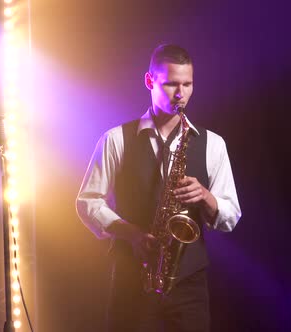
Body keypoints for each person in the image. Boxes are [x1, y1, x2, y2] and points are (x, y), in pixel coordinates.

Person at [76, 44, 241, 331]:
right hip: (132, 280)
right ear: (149, 81)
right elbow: (88, 202)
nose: (181, 94)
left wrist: (205, 196)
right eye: (171, 84)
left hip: (189, 285)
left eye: (188, 84)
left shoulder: (212, 143)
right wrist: (131, 233)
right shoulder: (116, 139)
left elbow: (230, 215)